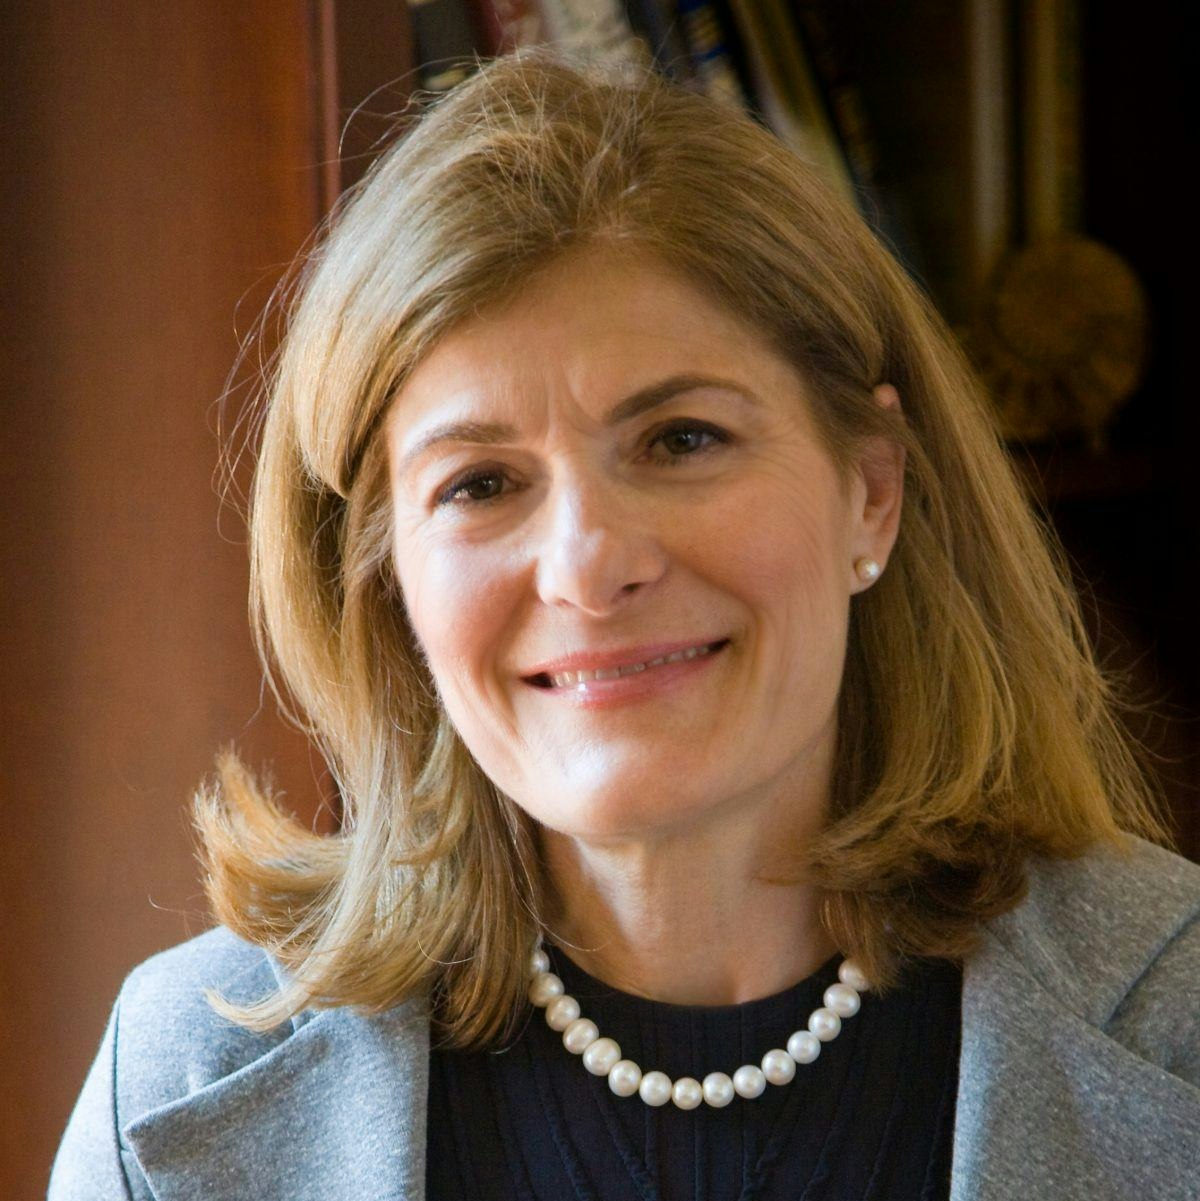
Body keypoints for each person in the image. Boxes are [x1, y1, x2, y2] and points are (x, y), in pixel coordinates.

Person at [49, 47, 1200, 1201]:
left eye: (682, 440)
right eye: (480, 484)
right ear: (387, 577)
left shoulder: (1175, 1018)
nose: (588, 569)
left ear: (871, 492)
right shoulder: (179, 1083)